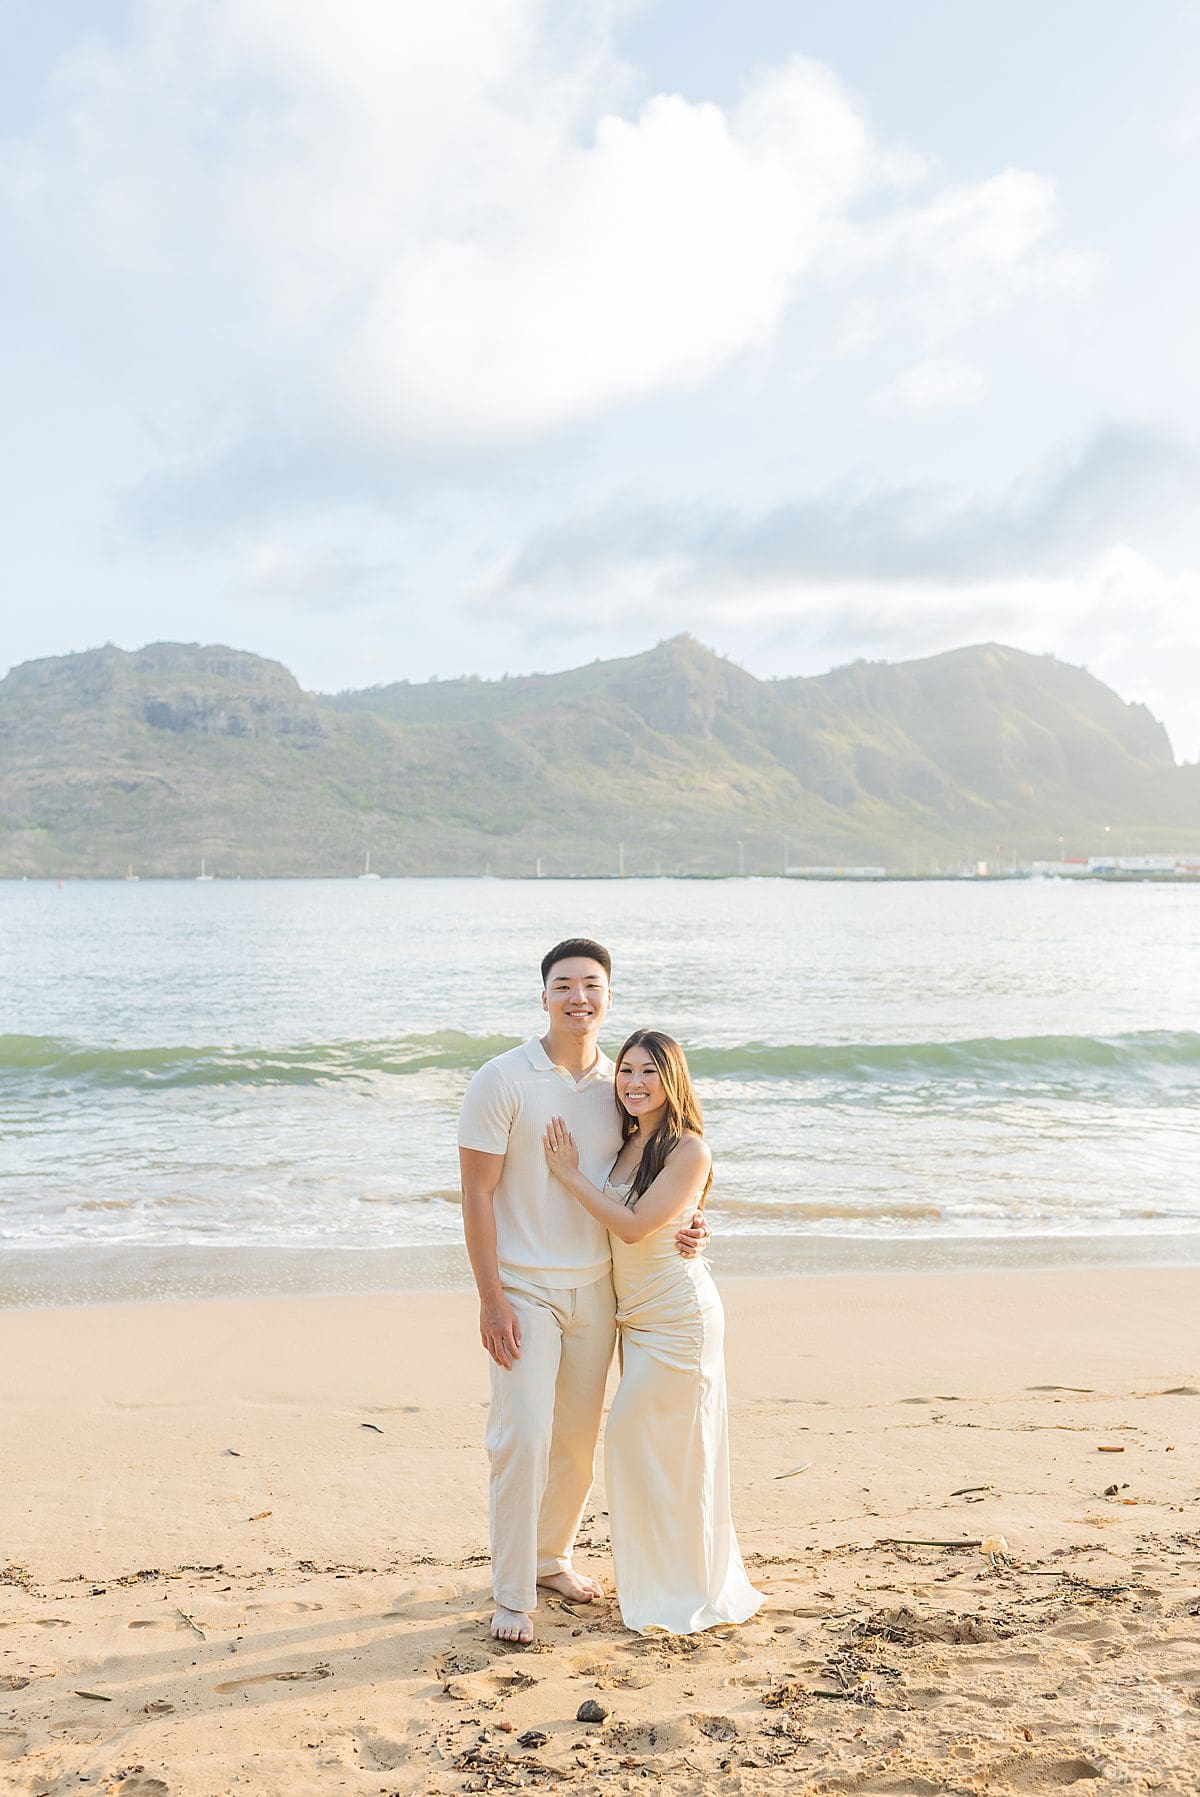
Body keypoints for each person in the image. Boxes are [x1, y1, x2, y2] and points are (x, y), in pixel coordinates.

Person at [457, 940, 707, 1646]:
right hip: (523, 1288)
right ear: (543, 996)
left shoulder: (620, 1087)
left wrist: (692, 1226)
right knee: (523, 1436)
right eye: (563, 984)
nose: (578, 997)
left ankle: (549, 1557)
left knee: (574, 1441)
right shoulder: (501, 1078)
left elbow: (661, 1170)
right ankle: (511, 1594)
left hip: (599, 1289)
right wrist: (490, 1298)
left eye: (591, 985)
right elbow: (475, 1194)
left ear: (608, 996)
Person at [543, 1028, 763, 1635]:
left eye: (649, 1072)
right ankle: (662, 1579)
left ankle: (686, 1587)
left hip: (679, 1317)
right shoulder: (625, 1141)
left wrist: (567, 1175)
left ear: (673, 1080)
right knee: (652, 1453)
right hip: (634, 1319)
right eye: (627, 1072)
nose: (635, 1083)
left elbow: (638, 1227)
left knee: (659, 1444)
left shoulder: (689, 1148)